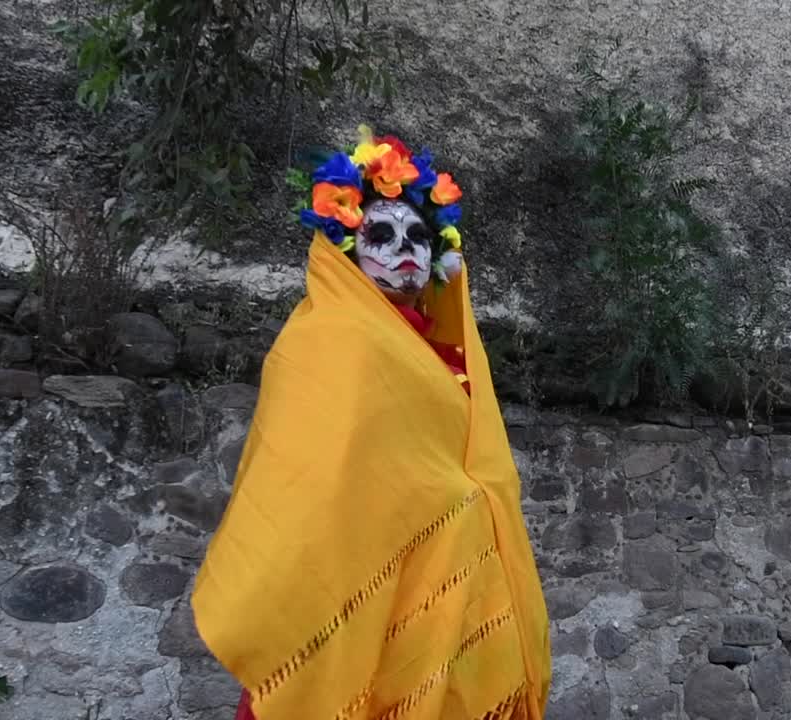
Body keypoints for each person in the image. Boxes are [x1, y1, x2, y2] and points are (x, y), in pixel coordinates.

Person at [192, 126, 552, 719]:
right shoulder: (323, 342)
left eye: (418, 236)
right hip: (363, 585)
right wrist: (440, 500)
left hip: (450, 602)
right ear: (348, 250)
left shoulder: (454, 359)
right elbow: (315, 487)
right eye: (380, 235)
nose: (404, 247)